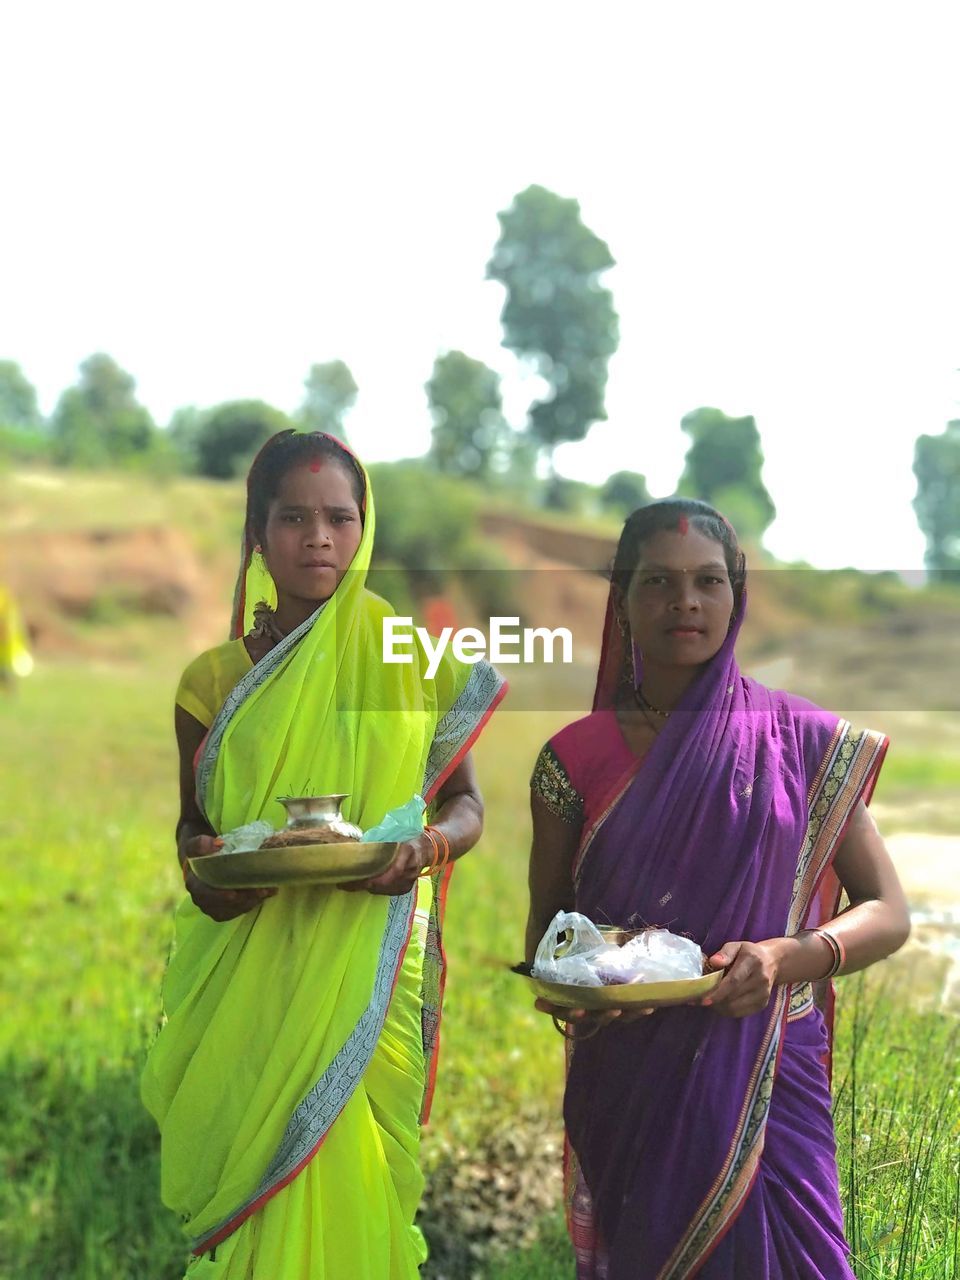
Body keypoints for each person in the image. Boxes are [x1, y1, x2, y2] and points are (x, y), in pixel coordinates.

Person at [141, 430, 506, 1278]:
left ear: (364, 529)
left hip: (366, 958)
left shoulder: (408, 658)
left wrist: (424, 848)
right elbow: (193, 833)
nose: (319, 538)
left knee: (359, 1162)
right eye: (294, 518)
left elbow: (466, 805)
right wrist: (210, 876)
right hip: (249, 968)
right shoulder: (211, 681)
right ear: (257, 536)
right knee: (256, 1160)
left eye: (340, 518)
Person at [525, 499, 910, 1279]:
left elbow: (891, 915)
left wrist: (781, 958)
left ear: (737, 593)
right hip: (632, 1081)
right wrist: (564, 986)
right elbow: (551, 940)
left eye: (707, 581)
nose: (685, 602)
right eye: (659, 582)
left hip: (769, 1067)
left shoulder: (798, 738)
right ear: (622, 597)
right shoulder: (573, 759)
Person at [0, 582, 33, 688]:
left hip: (6, 644)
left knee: (4, 667)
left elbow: (7, 619)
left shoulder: (4, 597)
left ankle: (8, 685)